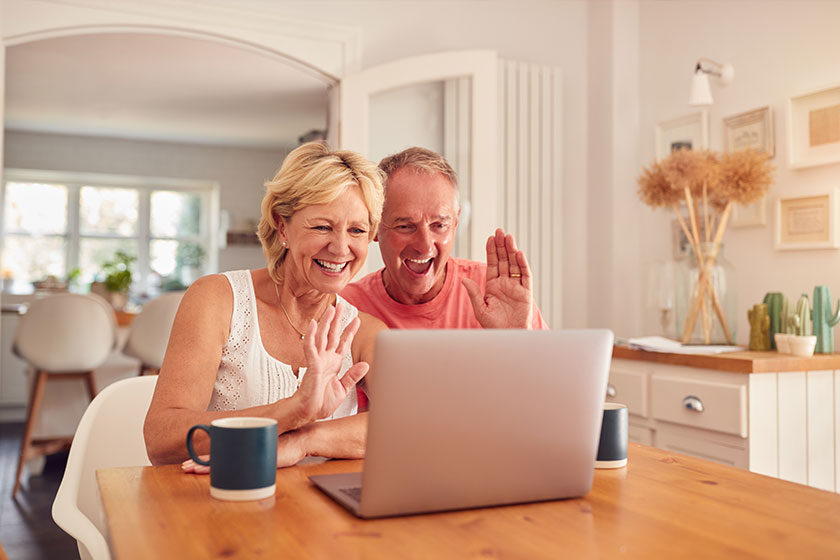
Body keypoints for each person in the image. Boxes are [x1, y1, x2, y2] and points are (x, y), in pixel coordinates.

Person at [143, 142, 387, 469]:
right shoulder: (217, 300)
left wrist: (302, 440)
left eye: (357, 230)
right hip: (220, 503)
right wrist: (293, 411)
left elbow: (410, 425)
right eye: (322, 227)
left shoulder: (363, 332)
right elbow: (161, 441)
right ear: (282, 225)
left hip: (322, 513)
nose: (341, 247)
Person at [341, 147, 548, 330]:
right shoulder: (345, 308)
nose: (424, 246)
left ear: (456, 222)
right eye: (405, 226)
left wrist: (519, 340)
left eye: (439, 226)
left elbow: (553, 374)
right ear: (374, 227)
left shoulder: (496, 292)